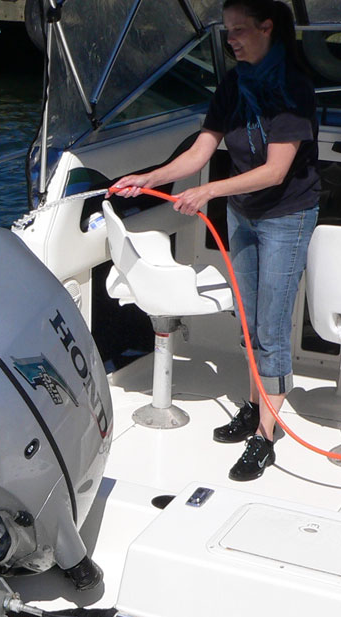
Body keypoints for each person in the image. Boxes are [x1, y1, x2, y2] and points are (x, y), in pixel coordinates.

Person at [112, 0, 320, 481]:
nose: (229, 40)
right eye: (226, 31)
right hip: (243, 214)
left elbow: (275, 171)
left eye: (239, 30)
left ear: (267, 28)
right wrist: (148, 176)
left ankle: (266, 438)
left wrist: (208, 191)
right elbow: (201, 151)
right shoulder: (234, 82)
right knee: (247, 321)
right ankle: (254, 405)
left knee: (270, 327)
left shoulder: (293, 86)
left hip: (286, 216)